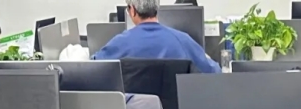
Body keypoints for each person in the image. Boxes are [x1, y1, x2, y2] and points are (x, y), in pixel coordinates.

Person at [92, 0, 220, 73]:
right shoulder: (182, 41)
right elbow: (215, 72)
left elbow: (91, 69)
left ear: (132, 10)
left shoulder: (120, 43)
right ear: (157, 8)